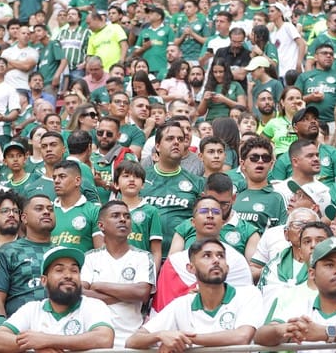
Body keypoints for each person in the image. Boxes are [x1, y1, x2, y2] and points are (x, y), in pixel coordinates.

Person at [128, 238, 261, 349]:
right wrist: (160, 335)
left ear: (227, 267)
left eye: (220, 255)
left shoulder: (248, 294)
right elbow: (132, 341)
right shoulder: (182, 304)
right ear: (190, 268)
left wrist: (182, 339)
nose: (216, 260)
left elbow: (242, 337)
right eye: (207, 255)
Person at [0, 246, 115, 351]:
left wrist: (47, 340)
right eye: (59, 270)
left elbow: (104, 338)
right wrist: (36, 346)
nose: (68, 275)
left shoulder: (93, 305)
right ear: (44, 280)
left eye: (74, 270)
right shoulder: (32, 309)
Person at [152, 197, 252, 312]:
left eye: (216, 212)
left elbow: (245, 303)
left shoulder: (236, 261)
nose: (210, 215)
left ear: (223, 222)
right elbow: (162, 312)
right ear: (193, 222)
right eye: (204, 211)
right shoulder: (174, 263)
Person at [81, 201, 155, 347]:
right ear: (101, 226)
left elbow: (142, 293)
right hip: (94, 338)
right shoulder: (89, 257)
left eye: (127, 216)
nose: (123, 219)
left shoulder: (143, 257)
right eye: (115, 216)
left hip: (131, 340)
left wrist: (98, 285)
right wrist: (125, 295)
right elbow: (80, 293)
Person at [140, 121, 204, 257]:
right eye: (170, 139)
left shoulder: (197, 182)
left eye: (180, 139)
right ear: (157, 146)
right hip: (141, 258)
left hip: (180, 259)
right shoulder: (139, 178)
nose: (176, 142)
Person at [0, 194, 55, 317]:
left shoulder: (63, 252)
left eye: (50, 209)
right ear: (24, 218)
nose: (46, 212)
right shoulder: (7, 251)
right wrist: (5, 332)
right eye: (39, 209)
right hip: (19, 329)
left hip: (58, 329)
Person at [233, 136, 287, 234]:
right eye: (254, 157)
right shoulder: (232, 193)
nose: (260, 161)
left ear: (271, 164)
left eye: (266, 158)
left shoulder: (278, 197)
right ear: (242, 164)